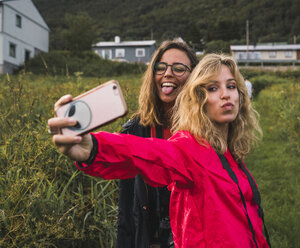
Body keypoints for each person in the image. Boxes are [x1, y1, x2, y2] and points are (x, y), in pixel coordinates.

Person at [48, 54, 270, 248]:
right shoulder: (190, 149)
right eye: (213, 88)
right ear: (199, 99)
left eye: (231, 86)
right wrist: (93, 148)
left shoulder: (230, 152)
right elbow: (145, 153)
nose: (225, 94)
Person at [48, 39, 198, 248]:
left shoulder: (205, 131)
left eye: (179, 68)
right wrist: (90, 148)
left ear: (196, 77)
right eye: (160, 67)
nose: (167, 73)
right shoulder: (135, 129)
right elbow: (127, 209)